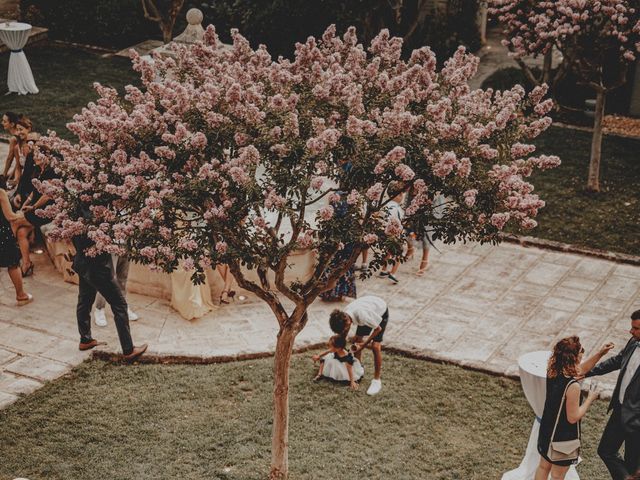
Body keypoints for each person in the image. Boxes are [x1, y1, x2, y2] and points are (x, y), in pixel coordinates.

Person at [71, 210, 147, 360]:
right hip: (98, 268)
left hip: (82, 263)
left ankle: (85, 339)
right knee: (119, 304)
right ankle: (128, 349)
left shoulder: (75, 211)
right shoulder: (96, 215)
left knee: (84, 301)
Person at [535, 336, 613, 480]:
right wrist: (590, 398)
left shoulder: (553, 370)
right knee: (558, 476)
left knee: (543, 467)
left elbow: (581, 370)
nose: (581, 360)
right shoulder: (573, 386)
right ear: (574, 359)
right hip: (562, 439)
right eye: (580, 357)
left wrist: (600, 354)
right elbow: (573, 417)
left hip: (547, 430)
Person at [586, 309, 640, 480]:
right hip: (620, 409)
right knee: (605, 450)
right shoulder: (633, 342)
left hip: (637, 421)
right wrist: (588, 371)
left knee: (632, 464)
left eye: (636, 328)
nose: (631, 331)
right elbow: (617, 361)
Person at [329, 295, 388, 395]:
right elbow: (344, 333)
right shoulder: (344, 314)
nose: (345, 330)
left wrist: (363, 345)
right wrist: (339, 347)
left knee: (375, 346)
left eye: (344, 328)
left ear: (347, 321)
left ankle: (377, 381)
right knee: (356, 341)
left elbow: (378, 329)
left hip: (380, 310)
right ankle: (357, 371)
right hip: (368, 308)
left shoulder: (362, 316)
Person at [0, 175, 32, 305]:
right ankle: (21, 295)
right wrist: (20, 214)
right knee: (13, 265)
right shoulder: (1, 193)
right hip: (2, 235)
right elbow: (10, 216)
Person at [93, 255, 139, 327]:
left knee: (123, 278)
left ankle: (123, 308)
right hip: (111, 248)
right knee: (106, 278)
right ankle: (99, 309)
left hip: (126, 246)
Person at [378, 189, 405, 284]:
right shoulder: (397, 208)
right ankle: (392, 274)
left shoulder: (386, 205)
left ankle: (383, 270)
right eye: (401, 195)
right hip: (394, 233)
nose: (402, 198)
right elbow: (400, 221)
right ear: (397, 196)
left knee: (388, 251)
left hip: (383, 232)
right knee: (399, 254)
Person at [1, 112, 20, 186]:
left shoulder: (14, 138)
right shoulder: (19, 134)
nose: (2, 123)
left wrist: (4, 174)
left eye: (5, 121)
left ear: (12, 124)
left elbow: (10, 158)